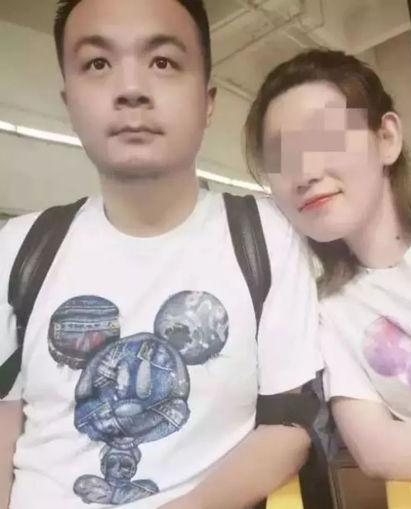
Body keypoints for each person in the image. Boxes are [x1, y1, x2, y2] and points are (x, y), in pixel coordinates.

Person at [0, 2, 322, 508]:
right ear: (69, 101)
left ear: (207, 101)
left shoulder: (266, 236)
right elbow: (6, 420)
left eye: (163, 62)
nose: (131, 89)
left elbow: (289, 424)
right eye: (98, 64)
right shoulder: (21, 246)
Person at [245, 48, 411, 508]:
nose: (305, 173)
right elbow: (379, 451)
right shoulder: (323, 310)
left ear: (386, 138)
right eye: (281, 157)